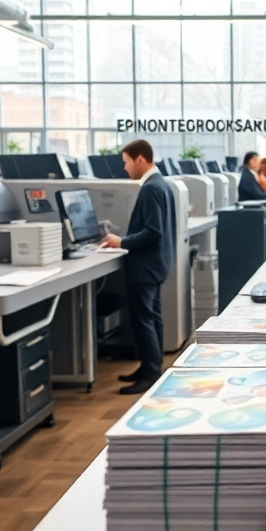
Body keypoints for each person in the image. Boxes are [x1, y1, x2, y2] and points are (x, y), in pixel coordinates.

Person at [100, 139, 177, 395]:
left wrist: (120, 241)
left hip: (145, 266)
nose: (125, 168)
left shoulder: (151, 188)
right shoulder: (161, 185)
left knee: (143, 319)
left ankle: (151, 374)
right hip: (156, 263)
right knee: (151, 317)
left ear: (140, 159)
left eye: (126, 162)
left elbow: (153, 232)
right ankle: (149, 367)